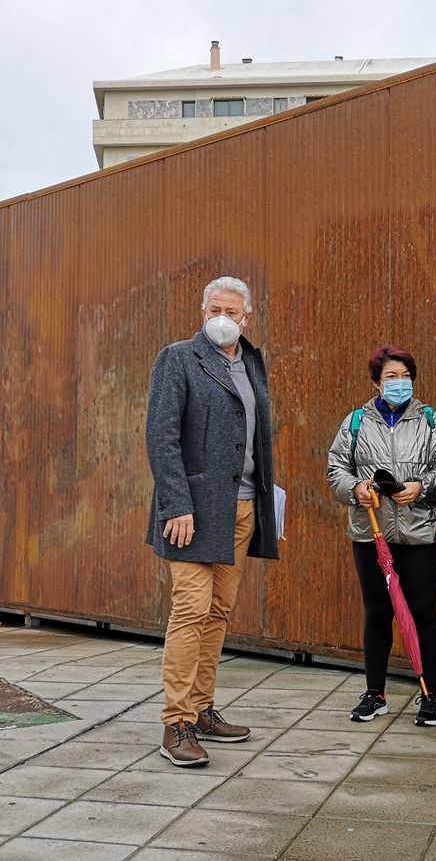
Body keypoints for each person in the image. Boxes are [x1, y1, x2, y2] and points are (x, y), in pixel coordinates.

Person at [145, 276, 280, 768]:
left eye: (233, 311)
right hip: (194, 513)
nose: (223, 319)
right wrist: (177, 503)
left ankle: (202, 708)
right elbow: (161, 437)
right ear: (203, 313)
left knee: (219, 612)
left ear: (247, 317)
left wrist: (268, 502)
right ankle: (175, 722)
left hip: (243, 507)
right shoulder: (178, 358)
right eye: (214, 310)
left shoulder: (251, 362)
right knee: (191, 611)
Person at [326, 345, 436, 728]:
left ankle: (430, 695)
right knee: (377, 614)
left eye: (405, 376)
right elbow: (336, 468)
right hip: (372, 533)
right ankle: (375, 693)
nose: (400, 384)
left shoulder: (430, 420)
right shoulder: (355, 422)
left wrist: (422, 486)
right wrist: (356, 490)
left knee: (422, 613)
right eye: (391, 377)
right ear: (376, 382)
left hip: (421, 534)